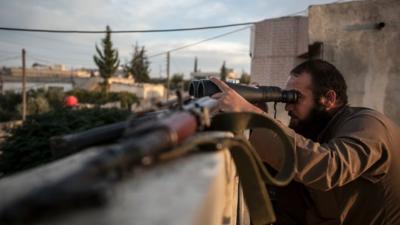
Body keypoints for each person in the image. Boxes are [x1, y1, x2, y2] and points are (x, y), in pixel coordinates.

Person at [210, 59, 400, 225]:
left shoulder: (370, 125)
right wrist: (255, 114)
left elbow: (328, 167)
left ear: (328, 98)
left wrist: (254, 116)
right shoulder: (321, 129)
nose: (288, 105)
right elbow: (289, 165)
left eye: (295, 97)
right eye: (286, 97)